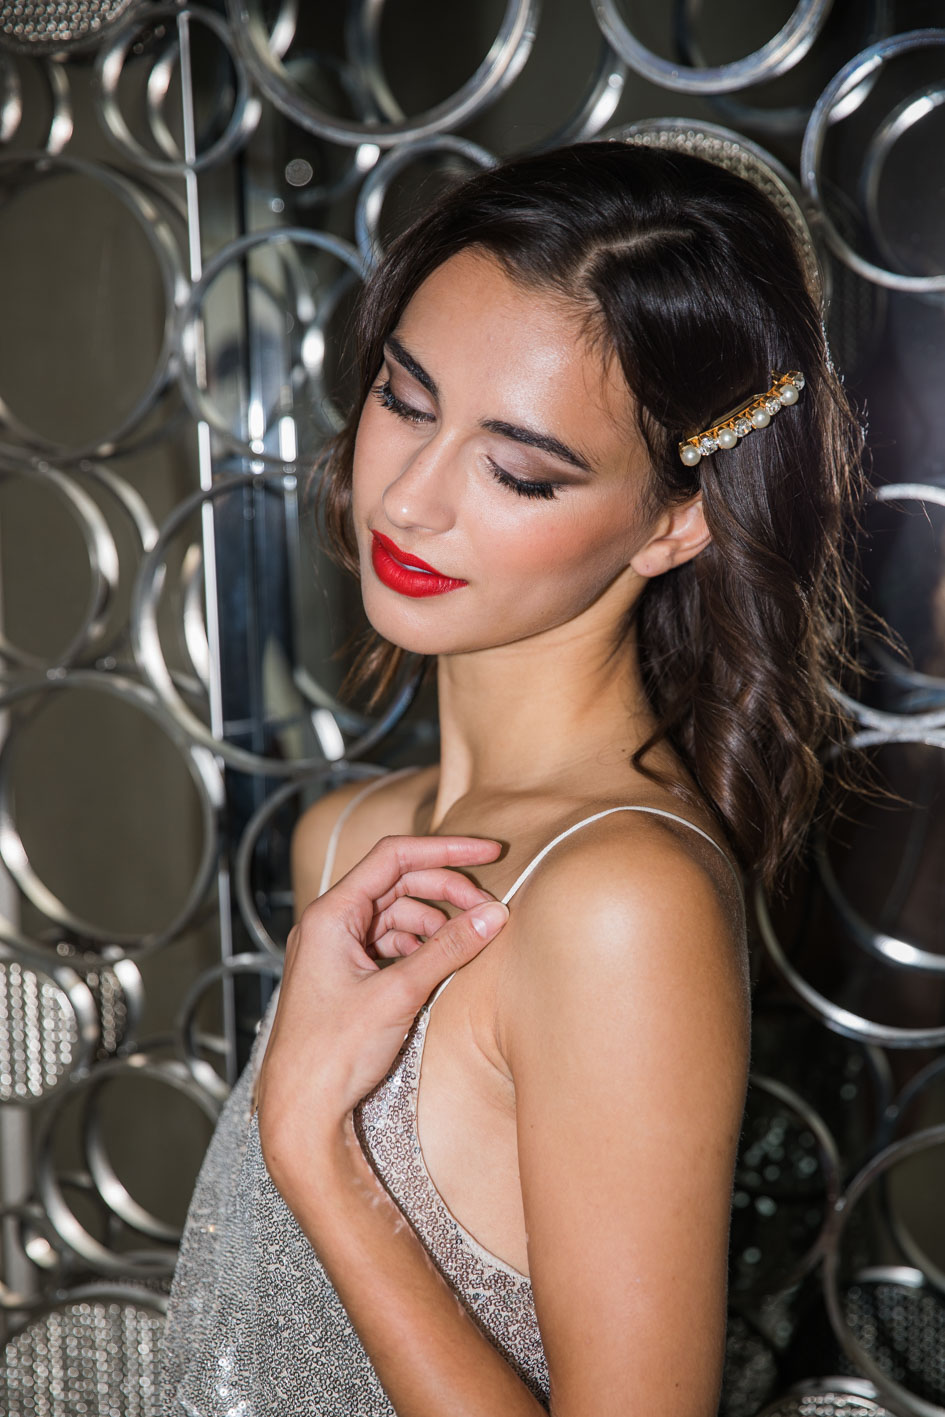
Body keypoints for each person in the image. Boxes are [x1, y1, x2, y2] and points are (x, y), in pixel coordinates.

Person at [161, 140, 865, 1416]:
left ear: (678, 518)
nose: (409, 500)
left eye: (520, 470)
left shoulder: (618, 902)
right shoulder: (348, 839)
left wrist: (316, 1150)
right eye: (404, 399)